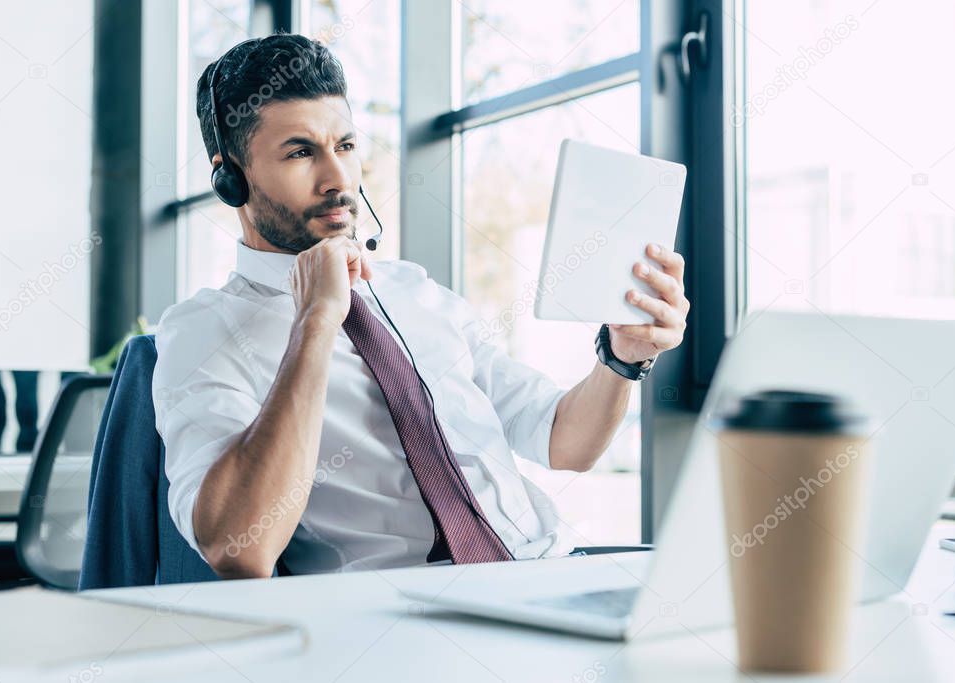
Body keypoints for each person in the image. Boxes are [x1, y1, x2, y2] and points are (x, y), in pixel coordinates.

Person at [153, 33, 690, 579]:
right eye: (300, 152)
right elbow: (238, 548)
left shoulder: (419, 294)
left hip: (542, 571)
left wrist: (621, 359)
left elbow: (561, 441)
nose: (338, 178)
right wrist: (315, 322)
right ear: (230, 178)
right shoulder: (203, 333)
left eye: (345, 146)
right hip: (396, 617)